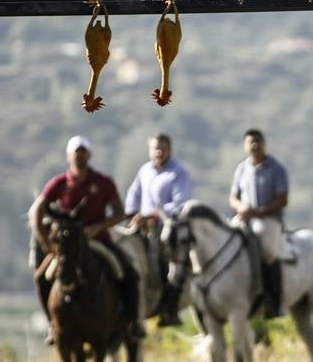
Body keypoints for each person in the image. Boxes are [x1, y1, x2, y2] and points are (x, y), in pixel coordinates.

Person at [27, 136, 143, 342]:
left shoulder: (103, 182)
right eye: (75, 153)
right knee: (41, 277)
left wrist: (97, 227)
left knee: (129, 273)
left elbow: (119, 212)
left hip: (99, 241)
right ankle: (53, 325)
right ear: (68, 156)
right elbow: (36, 211)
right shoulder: (58, 183)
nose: (79, 156)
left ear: (88, 155)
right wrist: (46, 242)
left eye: (82, 152)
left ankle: (132, 322)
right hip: (67, 248)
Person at [124, 132, 191, 325]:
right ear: (150, 150)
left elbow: (180, 203)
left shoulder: (179, 172)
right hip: (141, 226)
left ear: (170, 149)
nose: (159, 152)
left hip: (167, 227)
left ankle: (169, 306)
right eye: (155, 148)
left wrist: (152, 215)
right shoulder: (145, 171)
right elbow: (133, 195)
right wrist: (133, 214)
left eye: (163, 148)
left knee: (164, 262)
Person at [230, 128, 291, 319]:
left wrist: (258, 212)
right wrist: (241, 207)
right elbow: (233, 197)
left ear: (264, 143)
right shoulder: (241, 168)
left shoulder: (276, 168)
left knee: (268, 252)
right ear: (245, 145)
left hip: (268, 219)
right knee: (226, 241)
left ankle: (273, 300)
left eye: (257, 141)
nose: (254, 145)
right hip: (245, 217)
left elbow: (282, 199)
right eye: (250, 142)